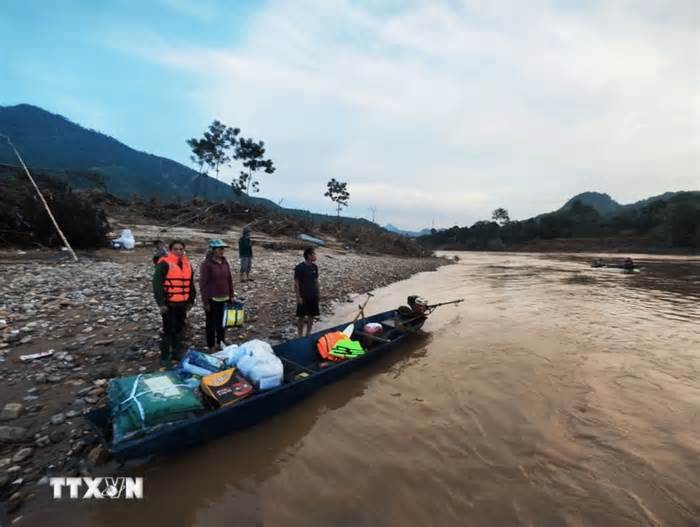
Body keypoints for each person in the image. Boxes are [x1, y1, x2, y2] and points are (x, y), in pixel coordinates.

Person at [153, 240, 195, 366]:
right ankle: (165, 356)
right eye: (175, 249)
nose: (178, 251)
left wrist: (191, 300)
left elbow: (190, 284)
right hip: (169, 304)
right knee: (168, 330)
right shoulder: (164, 264)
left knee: (179, 328)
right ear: (170, 250)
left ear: (184, 250)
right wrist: (161, 303)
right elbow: (157, 285)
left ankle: (176, 353)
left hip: (182, 304)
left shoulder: (187, 265)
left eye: (181, 249)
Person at [200, 239, 235, 353]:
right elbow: (203, 284)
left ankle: (221, 341)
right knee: (211, 323)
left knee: (222, 322)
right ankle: (211, 345)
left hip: (225, 297)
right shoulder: (206, 264)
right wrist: (205, 302)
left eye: (222, 249)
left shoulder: (225, 262)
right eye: (219, 249)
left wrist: (231, 295)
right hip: (212, 299)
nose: (222, 251)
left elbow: (229, 279)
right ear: (213, 250)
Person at [294, 246, 320, 336]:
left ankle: (308, 333)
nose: (315, 256)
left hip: (313, 295)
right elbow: (296, 283)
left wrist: (318, 293)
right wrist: (298, 297)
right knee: (301, 317)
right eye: (314, 254)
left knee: (311, 316)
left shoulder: (315, 267)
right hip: (303, 296)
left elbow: (316, 281)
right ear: (309, 255)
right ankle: (299, 335)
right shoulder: (299, 267)